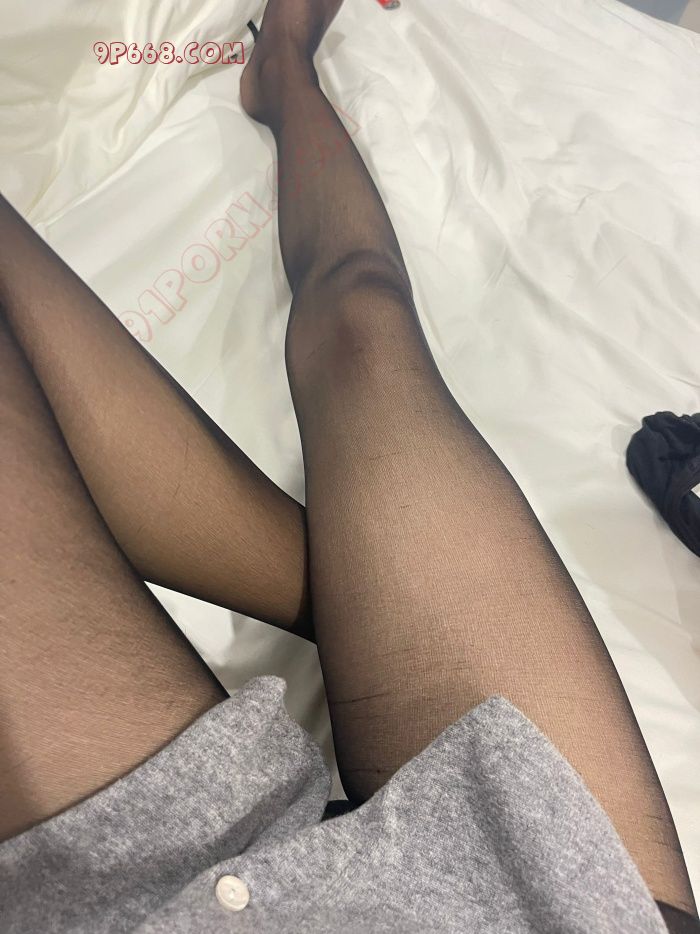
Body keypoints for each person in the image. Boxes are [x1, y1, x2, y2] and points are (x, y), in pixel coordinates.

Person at [0, 0, 697, 930]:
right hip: (554, 904)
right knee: (364, 320)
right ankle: (285, 64)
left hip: (147, 903)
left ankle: (352, 601)